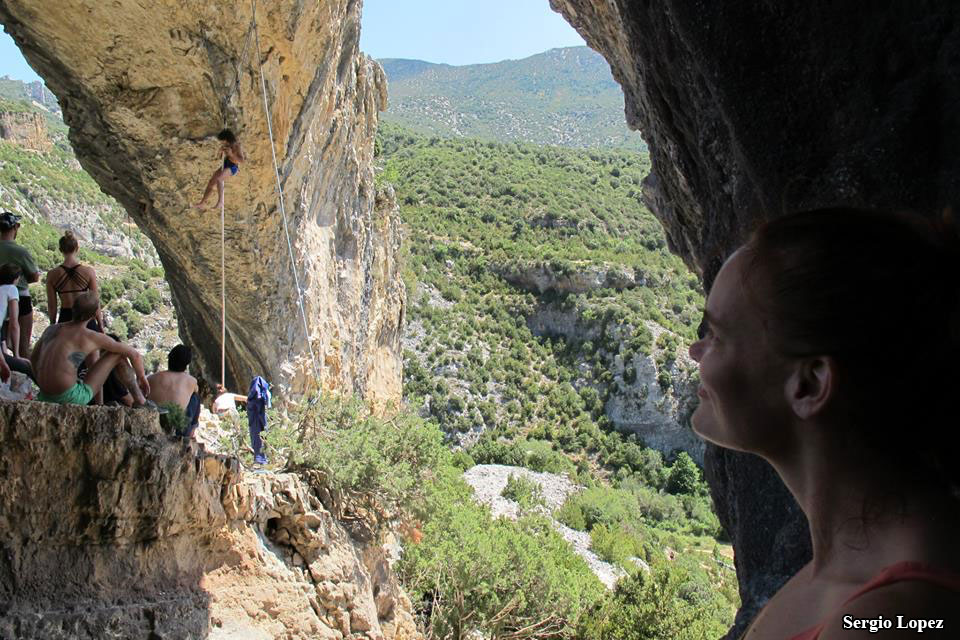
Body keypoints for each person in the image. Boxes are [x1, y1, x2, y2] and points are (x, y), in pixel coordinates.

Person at [687, 208, 960, 639]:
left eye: (717, 336)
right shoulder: (853, 565)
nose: (694, 351)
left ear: (810, 384)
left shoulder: (894, 618)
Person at [31, 291, 153, 407]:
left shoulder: (51, 329)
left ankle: (101, 403)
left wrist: (46, 385)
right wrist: (141, 377)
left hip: (44, 395)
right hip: (70, 397)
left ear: (73, 309)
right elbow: (134, 354)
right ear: (95, 313)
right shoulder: (90, 337)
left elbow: (33, 358)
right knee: (118, 354)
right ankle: (141, 402)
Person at [0, 212, 40, 357]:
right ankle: (24, 375)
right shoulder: (21, 252)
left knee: (2, 342)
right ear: (16, 227)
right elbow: (35, 276)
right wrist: (21, 281)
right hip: (21, 297)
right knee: (23, 345)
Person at [45, 231, 104, 328]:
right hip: (86, 318)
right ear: (77, 248)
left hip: (65, 317)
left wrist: (52, 325)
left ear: (60, 249)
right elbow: (95, 301)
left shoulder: (52, 275)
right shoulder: (89, 272)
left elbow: (52, 305)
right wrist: (100, 325)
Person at [147, 344, 200, 436]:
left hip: (153, 421)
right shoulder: (191, 381)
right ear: (187, 364)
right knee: (195, 397)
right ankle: (191, 431)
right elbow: (196, 390)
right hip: (178, 427)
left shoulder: (151, 378)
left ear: (169, 358)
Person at [193, 129, 244, 210]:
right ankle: (202, 203)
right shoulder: (227, 145)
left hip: (232, 167)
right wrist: (220, 152)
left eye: (223, 141)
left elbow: (241, 160)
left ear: (227, 139)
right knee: (211, 183)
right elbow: (219, 157)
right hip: (225, 164)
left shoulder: (237, 145)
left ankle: (220, 202)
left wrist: (231, 154)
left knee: (219, 180)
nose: (222, 143)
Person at [0, 263, 32, 380]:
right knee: (28, 367)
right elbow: (14, 323)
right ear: (16, 278)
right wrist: (17, 355)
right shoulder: (11, 289)